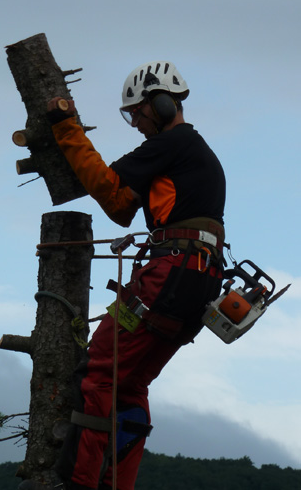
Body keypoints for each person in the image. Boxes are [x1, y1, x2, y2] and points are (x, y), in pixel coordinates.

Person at [46, 61, 226, 490]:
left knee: (100, 372)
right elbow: (120, 206)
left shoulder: (175, 141)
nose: (137, 125)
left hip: (170, 273)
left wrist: (66, 129)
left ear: (162, 103)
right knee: (127, 384)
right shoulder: (181, 156)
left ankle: (78, 483)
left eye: (138, 114)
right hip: (195, 278)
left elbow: (107, 181)